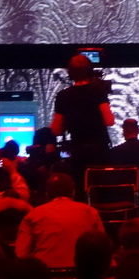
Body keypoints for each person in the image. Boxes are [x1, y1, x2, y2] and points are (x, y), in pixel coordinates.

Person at [50, 54, 115, 193]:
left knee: (81, 191)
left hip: (78, 152)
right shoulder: (98, 92)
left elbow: (56, 130)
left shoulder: (63, 96)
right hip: (100, 151)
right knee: (101, 192)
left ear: (70, 73)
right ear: (90, 71)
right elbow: (110, 121)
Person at [14, 172, 105, 268]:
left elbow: (21, 253)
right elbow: (102, 247)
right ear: (73, 193)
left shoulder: (33, 215)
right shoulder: (90, 212)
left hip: (45, 277)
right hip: (82, 276)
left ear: (47, 194)